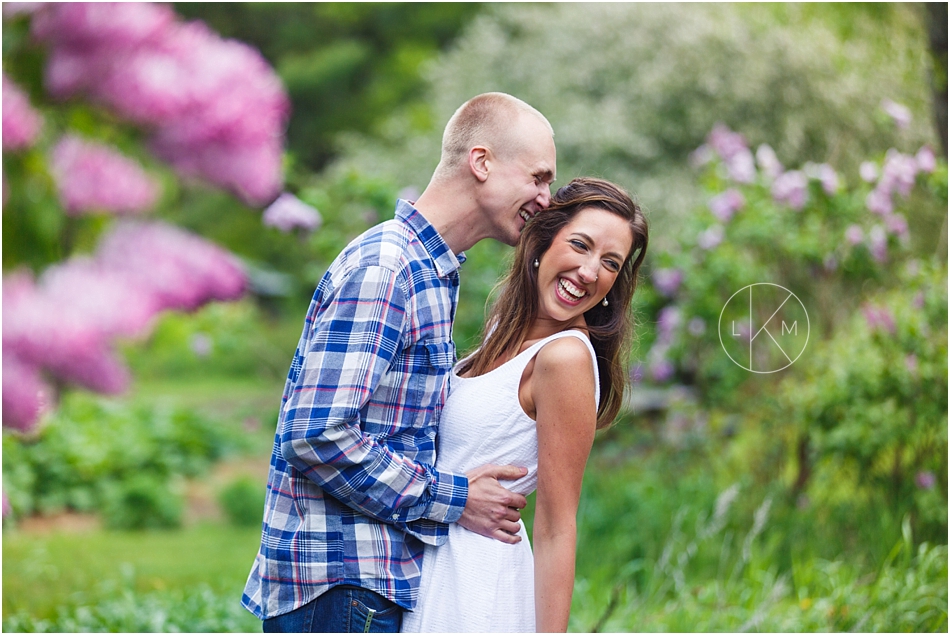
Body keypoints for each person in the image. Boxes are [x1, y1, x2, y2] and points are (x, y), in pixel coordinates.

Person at [241, 92, 558, 633]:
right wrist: (456, 498)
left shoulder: (431, 272)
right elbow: (315, 434)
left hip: (361, 588)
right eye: (538, 177)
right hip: (340, 590)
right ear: (482, 162)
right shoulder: (390, 268)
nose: (546, 199)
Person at [401, 177, 649, 633]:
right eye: (580, 244)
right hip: (431, 570)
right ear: (543, 239)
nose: (590, 272)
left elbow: (557, 526)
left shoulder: (565, 358)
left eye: (610, 263)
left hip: (478, 587)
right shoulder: (502, 329)